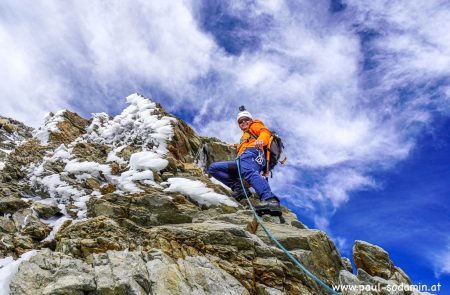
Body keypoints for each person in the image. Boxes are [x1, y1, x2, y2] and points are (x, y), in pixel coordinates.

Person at [207, 107, 281, 216]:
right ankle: (240, 188)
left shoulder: (255, 125)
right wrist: (235, 146)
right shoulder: (245, 136)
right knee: (213, 168)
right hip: (242, 159)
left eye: (246, 119)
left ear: (250, 120)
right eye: (240, 121)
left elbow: (264, 132)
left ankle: (269, 200)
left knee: (249, 172)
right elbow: (246, 144)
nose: (243, 122)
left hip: (253, 153)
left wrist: (262, 140)